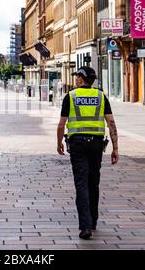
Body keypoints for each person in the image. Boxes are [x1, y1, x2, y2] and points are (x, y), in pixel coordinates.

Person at [56, 66, 119, 240]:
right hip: (97, 145)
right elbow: (111, 123)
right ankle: (93, 221)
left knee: (81, 183)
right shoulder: (101, 96)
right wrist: (115, 148)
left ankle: (85, 227)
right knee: (93, 182)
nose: (75, 79)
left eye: (77, 76)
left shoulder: (71, 97)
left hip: (77, 145)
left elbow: (61, 125)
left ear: (82, 79)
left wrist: (59, 143)